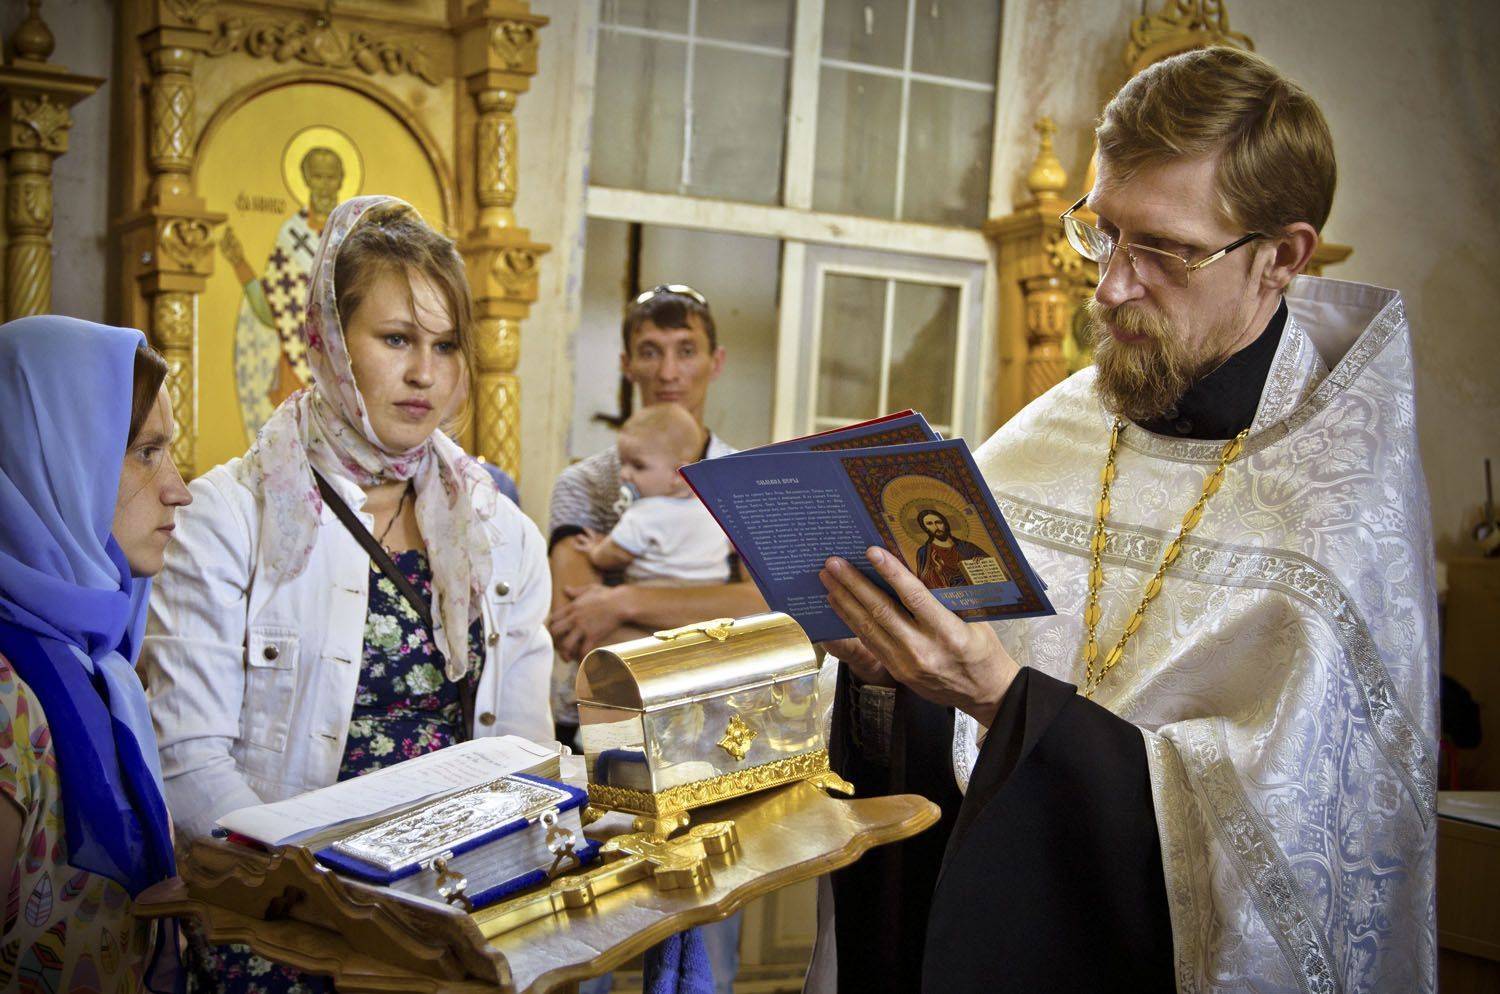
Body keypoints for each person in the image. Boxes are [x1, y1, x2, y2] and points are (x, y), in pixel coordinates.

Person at [813, 47, 1437, 994]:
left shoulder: (1342, 506)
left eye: (1166, 251)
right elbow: (941, 773)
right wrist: (889, 681)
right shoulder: (1057, 429)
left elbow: (1280, 853)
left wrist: (1004, 701)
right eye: (1102, 234)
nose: (1109, 287)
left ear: (1282, 257)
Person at [143, 195, 554, 993]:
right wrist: (328, 901)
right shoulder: (231, 515)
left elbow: (522, 751)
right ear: (328, 338)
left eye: (445, 345)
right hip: (287, 920)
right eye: (396, 339)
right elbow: (188, 762)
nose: (424, 373)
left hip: (455, 915)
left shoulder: (499, 532)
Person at [549, 286, 759, 994]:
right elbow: (575, 625)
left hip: (711, 740)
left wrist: (627, 600)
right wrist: (705, 623)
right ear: (626, 363)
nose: (669, 370)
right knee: (584, 946)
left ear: (715, 361)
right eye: (650, 351)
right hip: (602, 733)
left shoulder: (744, 481)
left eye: (685, 350)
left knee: (706, 950)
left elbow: (762, 615)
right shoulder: (585, 485)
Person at [0, 317, 191, 992]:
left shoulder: (101, 663)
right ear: (53, 461)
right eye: (146, 452)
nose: (179, 488)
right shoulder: (6, 700)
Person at [571, 403, 731, 589]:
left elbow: (616, 554)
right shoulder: (714, 506)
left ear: (678, 475)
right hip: (711, 591)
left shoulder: (644, 512)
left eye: (638, 466)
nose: (624, 474)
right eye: (623, 463)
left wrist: (595, 551)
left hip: (657, 590)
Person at [911, 510, 988, 589]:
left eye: (938, 522)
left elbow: (990, 565)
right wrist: (937, 570)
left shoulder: (966, 546)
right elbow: (923, 581)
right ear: (925, 528)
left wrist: (982, 561)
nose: (936, 527)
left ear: (945, 524)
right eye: (929, 524)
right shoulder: (924, 552)